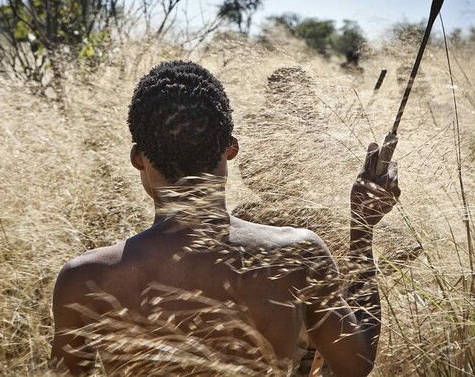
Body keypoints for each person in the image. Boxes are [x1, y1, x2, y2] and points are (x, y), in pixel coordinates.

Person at [51, 60, 400, 376]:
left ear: (138, 157)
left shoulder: (83, 278)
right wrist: (362, 229)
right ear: (231, 148)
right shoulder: (297, 254)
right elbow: (355, 364)